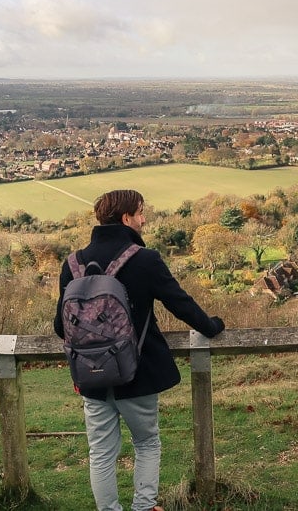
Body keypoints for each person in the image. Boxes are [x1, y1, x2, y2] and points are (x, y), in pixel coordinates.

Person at [54, 189, 225, 511]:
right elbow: (180, 303)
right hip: (138, 373)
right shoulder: (145, 259)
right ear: (126, 218)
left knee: (101, 451)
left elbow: (60, 326)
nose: (144, 219)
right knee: (146, 443)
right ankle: (145, 506)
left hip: (91, 375)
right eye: (141, 212)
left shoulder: (73, 265)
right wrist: (211, 327)